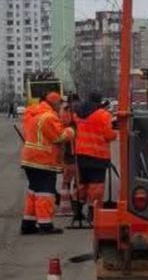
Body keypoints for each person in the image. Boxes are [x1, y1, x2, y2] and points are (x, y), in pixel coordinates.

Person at [19, 91, 73, 235]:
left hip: (30, 159)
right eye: (59, 104)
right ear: (55, 103)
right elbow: (58, 137)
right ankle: (45, 224)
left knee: (34, 192)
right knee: (45, 193)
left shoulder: (35, 114)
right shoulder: (48, 117)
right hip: (42, 160)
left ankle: (28, 223)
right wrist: (70, 131)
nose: (60, 108)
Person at [74, 91, 117, 222]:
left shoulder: (78, 114)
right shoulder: (104, 115)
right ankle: (93, 211)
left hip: (81, 154)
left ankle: (78, 209)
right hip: (98, 155)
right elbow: (110, 135)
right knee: (96, 185)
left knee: (82, 183)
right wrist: (114, 130)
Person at [56, 94, 81, 217]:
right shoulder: (79, 111)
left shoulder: (63, 110)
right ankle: (77, 208)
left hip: (68, 151)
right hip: (78, 151)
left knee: (66, 181)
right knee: (77, 181)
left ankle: (65, 208)